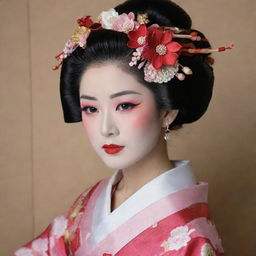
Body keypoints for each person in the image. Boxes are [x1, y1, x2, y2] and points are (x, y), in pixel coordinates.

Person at [14, 0, 233, 255]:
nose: (106, 128)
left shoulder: (191, 240)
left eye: (125, 105)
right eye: (91, 109)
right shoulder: (95, 198)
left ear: (167, 111)